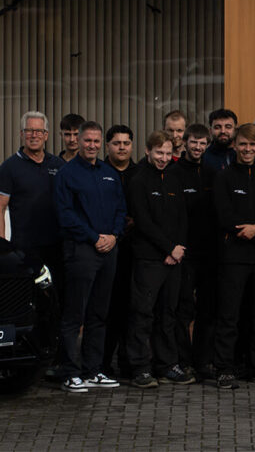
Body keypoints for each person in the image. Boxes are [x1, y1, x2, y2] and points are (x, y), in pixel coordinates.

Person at [55, 120, 127, 393]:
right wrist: (93, 237)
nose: (92, 145)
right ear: (78, 141)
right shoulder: (67, 174)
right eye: (88, 141)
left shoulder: (109, 173)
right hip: (82, 249)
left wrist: (114, 236)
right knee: (75, 314)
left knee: (99, 313)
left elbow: (122, 209)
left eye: (97, 141)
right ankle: (70, 372)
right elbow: (65, 215)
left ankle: (92, 369)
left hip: (109, 248)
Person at [211, 123, 255, 389]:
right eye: (243, 144)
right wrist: (253, 230)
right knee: (229, 315)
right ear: (235, 145)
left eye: (253, 144)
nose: (248, 149)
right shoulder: (224, 177)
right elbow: (223, 214)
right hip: (233, 258)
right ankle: (224, 368)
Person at [125, 131, 188, 388]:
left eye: (167, 153)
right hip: (149, 259)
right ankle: (139, 367)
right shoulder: (138, 180)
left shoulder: (174, 178)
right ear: (148, 152)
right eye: (158, 153)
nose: (163, 158)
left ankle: (166, 364)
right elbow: (143, 221)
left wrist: (179, 248)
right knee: (143, 314)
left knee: (168, 314)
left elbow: (183, 216)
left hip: (174, 259)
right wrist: (168, 248)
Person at [0, 111, 66, 289]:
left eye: (39, 131)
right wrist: (1, 246)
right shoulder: (9, 167)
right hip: (24, 247)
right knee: (27, 294)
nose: (34, 135)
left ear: (46, 135)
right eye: (29, 130)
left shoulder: (58, 165)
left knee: (57, 294)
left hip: (56, 245)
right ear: (21, 134)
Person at [174, 123, 217, 381]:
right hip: (184, 253)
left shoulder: (213, 173)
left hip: (210, 253)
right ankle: (183, 360)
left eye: (202, 143)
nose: (198, 147)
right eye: (194, 142)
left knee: (208, 310)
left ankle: (203, 361)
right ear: (185, 142)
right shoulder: (175, 172)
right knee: (183, 310)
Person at [101, 124, 138, 380]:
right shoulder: (99, 171)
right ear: (108, 146)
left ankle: (128, 362)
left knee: (132, 310)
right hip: (107, 249)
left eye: (126, 143)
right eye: (117, 143)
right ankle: (102, 363)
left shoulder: (140, 172)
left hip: (136, 251)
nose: (122, 147)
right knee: (107, 311)